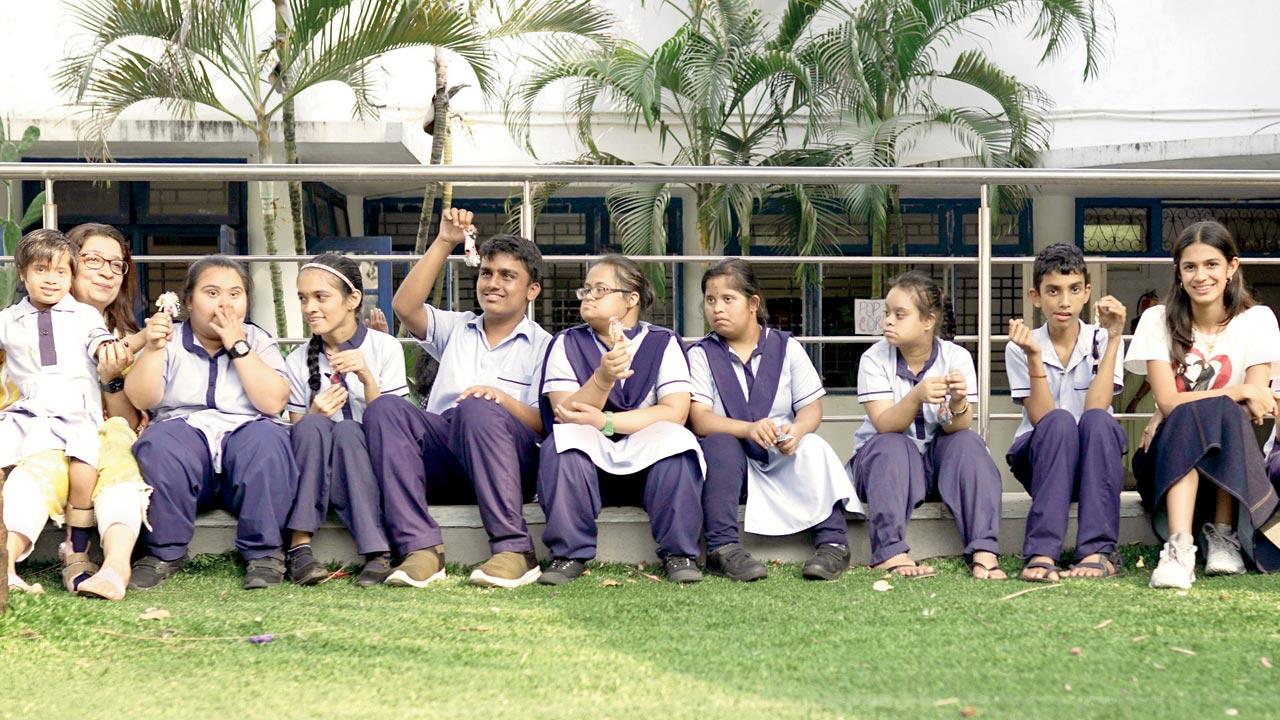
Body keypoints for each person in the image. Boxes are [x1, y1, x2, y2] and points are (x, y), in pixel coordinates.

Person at [363, 208, 551, 588]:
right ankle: (421, 550)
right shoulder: (457, 327)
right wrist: (445, 240)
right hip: (447, 452)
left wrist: (499, 399)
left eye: (507, 276)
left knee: (477, 409)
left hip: (508, 462)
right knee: (385, 407)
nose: (492, 283)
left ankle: (514, 550)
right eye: (487, 273)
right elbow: (405, 307)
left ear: (532, 291)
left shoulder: (547, 347)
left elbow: (546, 423)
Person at [125, 255, 298, 590]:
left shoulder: (258, 340)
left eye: (235, 294)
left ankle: (264, 554)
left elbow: (274, 402)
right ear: (188, 301)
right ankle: (165, 552)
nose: (225, 303)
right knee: (158, 444)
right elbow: (142, 400)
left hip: (245, 441)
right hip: (185, 444)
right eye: (212, 293)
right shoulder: (169, 338)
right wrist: (154, 347)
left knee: (268, 440)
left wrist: (237, 345)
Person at [1126, 220, 1280, 589]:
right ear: (1178, 274)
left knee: (1222, 414)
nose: (1201, 276)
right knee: (1196, 416)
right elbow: (1167, 399)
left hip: (1232, 462)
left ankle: (1223, 535)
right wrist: (1235, 390)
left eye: (1211, 264)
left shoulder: (1257, 320)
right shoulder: (1156, 320)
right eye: (1190, 267)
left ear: (1232, 267)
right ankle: (1179, 549)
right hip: (1164, 459)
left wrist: (1186, 404)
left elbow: (1255, 404)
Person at [687, 259, 862, 581]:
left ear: (753, 303)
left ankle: (833, 544)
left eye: (728, 299)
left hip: (782, 454)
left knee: (814, 446)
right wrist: (748, 429)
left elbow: (811, 409)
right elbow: (700, 419)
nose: (717, 309)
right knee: (720, 444)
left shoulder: (786, 347)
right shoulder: (701, 354)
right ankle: (722, 548)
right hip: (733, 468)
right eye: (710, 300)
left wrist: (796, 431)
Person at [536, 254, 704, 585]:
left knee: (678, 443)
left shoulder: (662, 342)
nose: (589, 297)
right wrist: (602, 378)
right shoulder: (567, 343)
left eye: (600, 289)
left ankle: (678, 552)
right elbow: (565, 412)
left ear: (631, 299)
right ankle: (569, 554)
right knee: (562, 443)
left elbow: (674, 412)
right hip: (589, 464)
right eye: (586, 290)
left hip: (646, 461)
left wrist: (605, 422)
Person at [846, 271, 1006, 580]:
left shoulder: (956, 357)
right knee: (893, 444)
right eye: (887, 314)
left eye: (899, 314)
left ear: (928, 321)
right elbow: (884, 424)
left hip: (934, 465)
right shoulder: (874, 359)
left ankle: (984, 549)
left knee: (969, 443)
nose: (888, 322)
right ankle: (890, 552)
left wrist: (959, 401)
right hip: (884, 466)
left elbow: (956, 427)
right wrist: (916, 396)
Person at [1, 229, 118, 594]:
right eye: (41, 270)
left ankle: (77, 546)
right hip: (26, 415)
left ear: (71, 275)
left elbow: (99, 340)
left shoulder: (84, 315)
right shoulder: (7, 319)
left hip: (75, 414)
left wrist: (108, 352)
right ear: (23, 274)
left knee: (83, 471)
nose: (52, 280)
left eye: (61, 272)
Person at [1005, 243, 1127, 582]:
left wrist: (1115, 338)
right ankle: (1041, 553)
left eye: (1074, 290)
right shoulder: (1022, 345)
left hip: (1093, 462)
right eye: (1053, 291)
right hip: (1042, 461)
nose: (1064, 302)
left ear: (1087, 292)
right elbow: (1042, 418)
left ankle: (1096, 551)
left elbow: (1096, 408)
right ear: (1035, 296)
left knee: (1099, 421)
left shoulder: (1101, 339)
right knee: (1058, 421)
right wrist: (1033, 356)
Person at [282, 253, 407, 586]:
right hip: (319, 468)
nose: (310, 307)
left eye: (321, 297)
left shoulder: (384, 348)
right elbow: (297, 433)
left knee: (350, 430)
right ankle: (300, 548)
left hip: (371, 465)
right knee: (311, 424)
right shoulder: (297, 360)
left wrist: (367, 379)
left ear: (353, 300)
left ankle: (376, 550)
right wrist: (315, 415)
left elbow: (394, 428)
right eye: (303, 298)